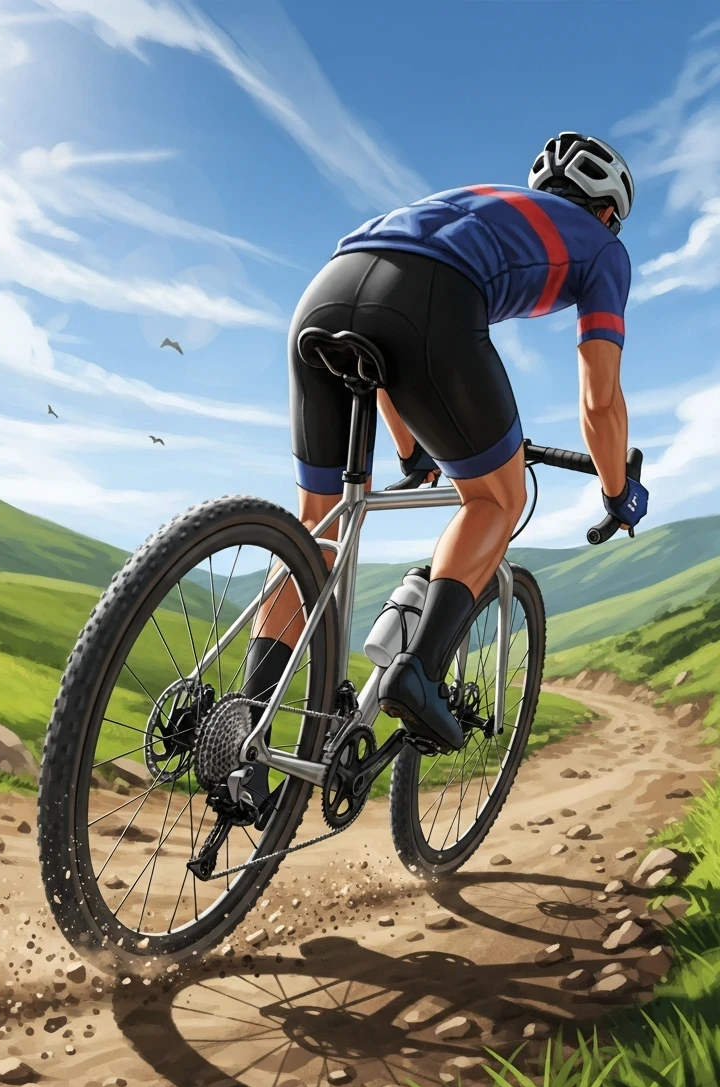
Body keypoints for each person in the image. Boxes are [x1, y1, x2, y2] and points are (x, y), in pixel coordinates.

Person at [242, 132, 648, 805]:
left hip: (331, 286)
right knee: (496, 497)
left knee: (319, 528)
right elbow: (600, 400)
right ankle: (418, 673)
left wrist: (411, 451)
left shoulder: (486, 202)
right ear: (608, 211)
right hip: (429, 302)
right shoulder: (603, 247)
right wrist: (617, 490)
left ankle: (243, 732)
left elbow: (385, 352)